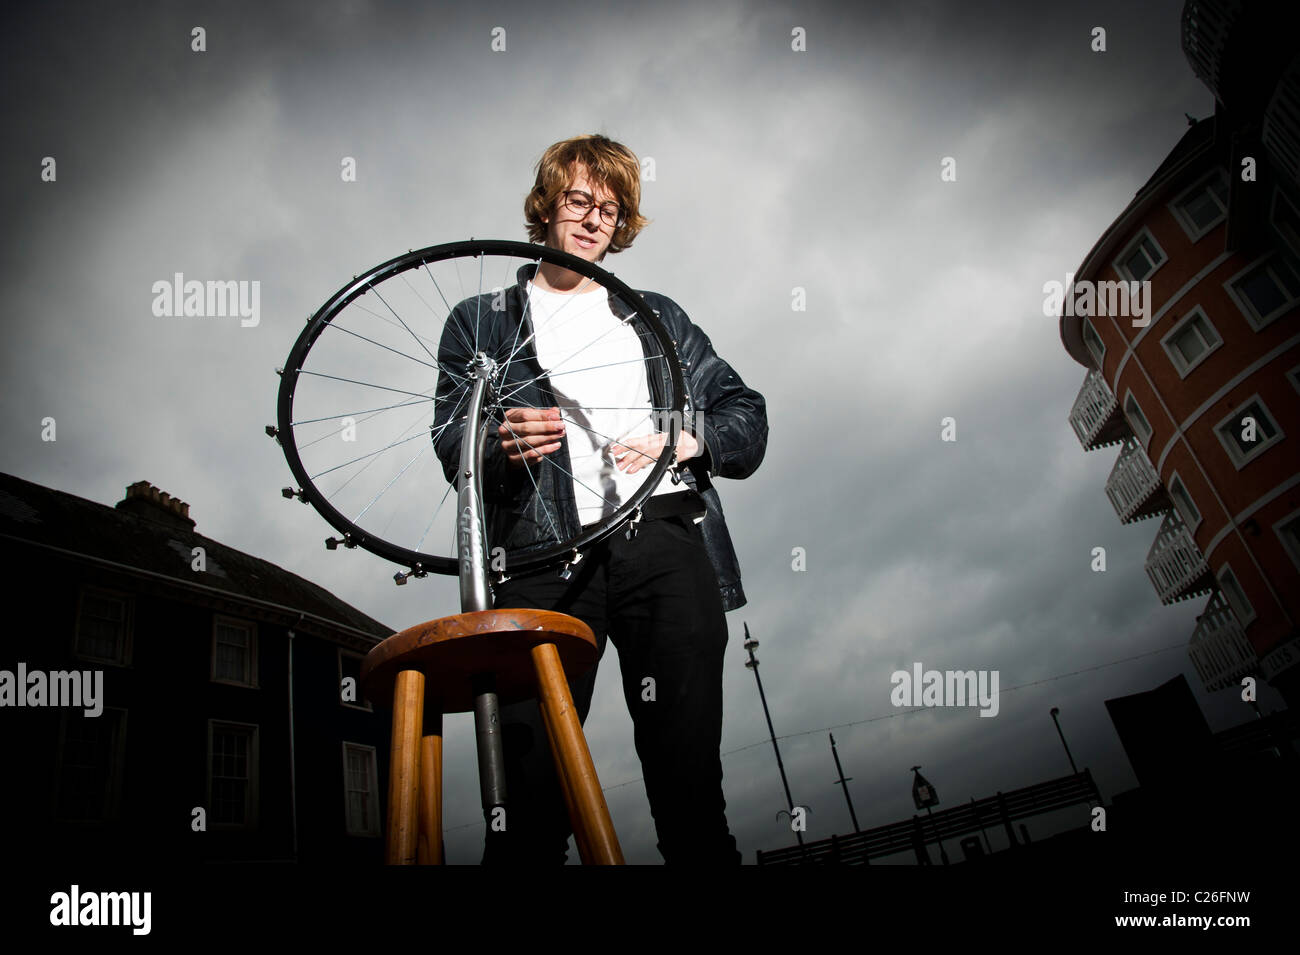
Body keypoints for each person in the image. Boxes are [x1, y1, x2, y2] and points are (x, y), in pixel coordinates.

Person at [432, 134, 767, 864]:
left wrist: (683, 439)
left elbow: (746, 414)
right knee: (529, 796)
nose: (591, 219)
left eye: (609, 210)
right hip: (543, 555)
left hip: (664, 543)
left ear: (621, 227)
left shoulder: (657, 315)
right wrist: (495, 440)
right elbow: (447, 437)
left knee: (689, 789)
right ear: (547, 205)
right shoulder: (478, 318)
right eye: (579, 200)